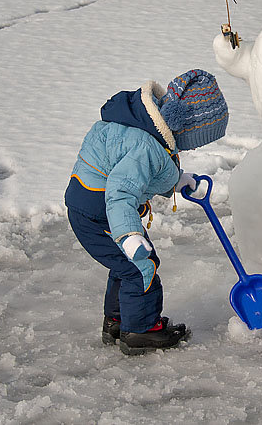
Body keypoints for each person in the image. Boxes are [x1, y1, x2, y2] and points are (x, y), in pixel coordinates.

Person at [64, 69, 228, 355]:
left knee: (125, 266)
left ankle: (118, 321)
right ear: (184, 126)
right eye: (198, 139)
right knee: (141, 265)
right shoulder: (146, 147)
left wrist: (176, 180)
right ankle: (140, 330)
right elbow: (121, 190)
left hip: (92, 207)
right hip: (99, 213)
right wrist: (128, 235)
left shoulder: (145, 128)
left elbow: (137, 167)